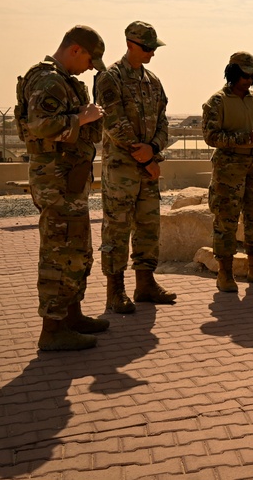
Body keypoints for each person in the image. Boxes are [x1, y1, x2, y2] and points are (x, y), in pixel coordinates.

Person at [15, 25, 107, 351]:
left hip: (71, 178)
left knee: (77, 250)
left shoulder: (67, 83)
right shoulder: (47, 80)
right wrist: (82, 118)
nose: (89, 68)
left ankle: (71, 315)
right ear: (75, 50)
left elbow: (82, 129)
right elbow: (40, 125)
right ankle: (52, 330)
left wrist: (92, 120)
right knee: (58, 252)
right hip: (55, 179)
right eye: (89, 61)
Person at [96, 21, 176, 313]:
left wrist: (153, 149)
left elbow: (164, 122)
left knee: (147, 227)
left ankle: (145, 284)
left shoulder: (153, 81)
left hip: (148, 169)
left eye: (155, 48)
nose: (152, 53)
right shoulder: (110, 78)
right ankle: (115, 291)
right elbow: (114, 121)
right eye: (147, 48)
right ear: (130, 44)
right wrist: (144, 156)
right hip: (121, 170)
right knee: (116, 229)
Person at [202, 52, 253, 293]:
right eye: (244, 75)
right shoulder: (217, 102)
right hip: (229, 169)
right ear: (233, 74)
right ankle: (225, 273)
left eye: (252, 76)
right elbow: (211, 137)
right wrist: (247, 138)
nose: (248, 80)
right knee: (226, 220)